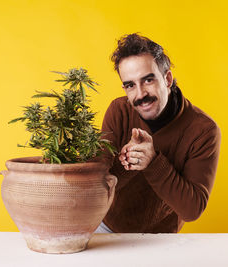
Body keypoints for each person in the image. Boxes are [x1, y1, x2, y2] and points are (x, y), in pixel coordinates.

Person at [94, 33, 221, 233]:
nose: (140, 94)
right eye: (130, 85)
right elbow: (97, 184)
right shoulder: (118, 111)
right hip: (106, 227)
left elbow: (192, 209)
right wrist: (129, 161)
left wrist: (153, 162)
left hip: (161, 238)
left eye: (148, 80)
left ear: (167, 78)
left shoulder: (203, 130)